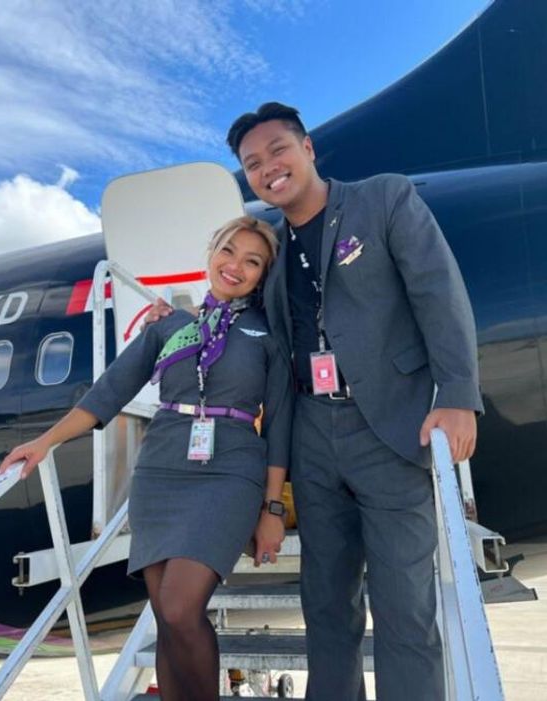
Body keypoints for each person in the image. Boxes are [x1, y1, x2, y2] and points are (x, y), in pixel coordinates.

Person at [144, 102, 480, 700]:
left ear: (308, 149)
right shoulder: (269, 247)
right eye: (252, 164)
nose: (268, 168)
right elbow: (240, 311)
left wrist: (456, 392)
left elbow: (438, 291)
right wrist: (184, 319)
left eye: (278, 151)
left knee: (405, 608)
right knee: (326, 606)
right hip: (311, 436)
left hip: (389, 429)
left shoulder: (383, 200)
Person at [0, 216, 292, 700]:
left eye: (252, 261)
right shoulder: (170, 326)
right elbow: (107, 394)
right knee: (166, 617)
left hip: (230, 470)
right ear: (211, 254)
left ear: (264, 275)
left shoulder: (269, 335)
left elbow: (279, 423)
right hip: (160, 471)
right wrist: (44, 441)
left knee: (180, 608)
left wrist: (272, 507)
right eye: (228, 251)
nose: (235, 266)